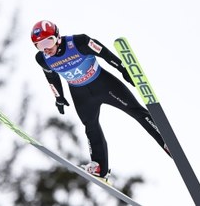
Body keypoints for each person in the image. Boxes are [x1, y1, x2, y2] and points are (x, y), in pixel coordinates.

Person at [31, 20, 170, 180]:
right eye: (40, 45)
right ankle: (99, 167)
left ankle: (165, 141)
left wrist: (122, 68)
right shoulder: (42, 58)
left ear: (58, 37)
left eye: (48, 41)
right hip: (80, 95)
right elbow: (51, 77)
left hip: (104, 85)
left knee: (135, 110)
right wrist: (58, 97)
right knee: (90, 127)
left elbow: (104, 52)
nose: (46, 48)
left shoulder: (78, 42)